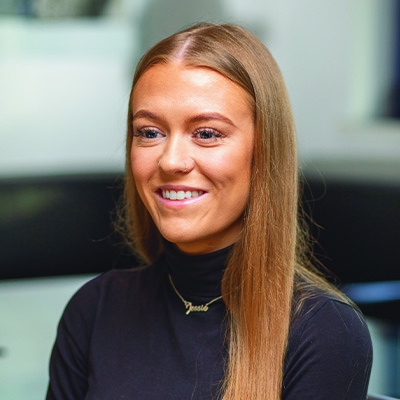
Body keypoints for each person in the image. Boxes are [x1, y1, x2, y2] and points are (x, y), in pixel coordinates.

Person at [46, 23, 372, 400]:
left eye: (206, 133)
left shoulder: (324, 331)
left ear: (264, 151)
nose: (171, 160)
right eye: (149, 132)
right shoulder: (94, 309)